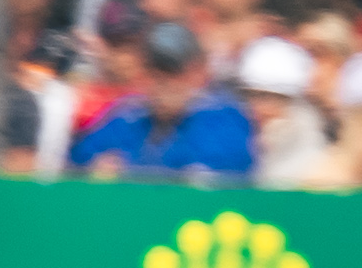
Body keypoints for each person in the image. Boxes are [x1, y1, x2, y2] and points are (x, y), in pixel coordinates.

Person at [66, 18, 256, 182]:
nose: (163, 82)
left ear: (198, 72)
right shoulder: (128, 116)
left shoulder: (224, 118)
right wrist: (92, 169)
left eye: (173, 72)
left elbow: (220, 174)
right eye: (155, 71)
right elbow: (75, 164)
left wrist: (129, 170)